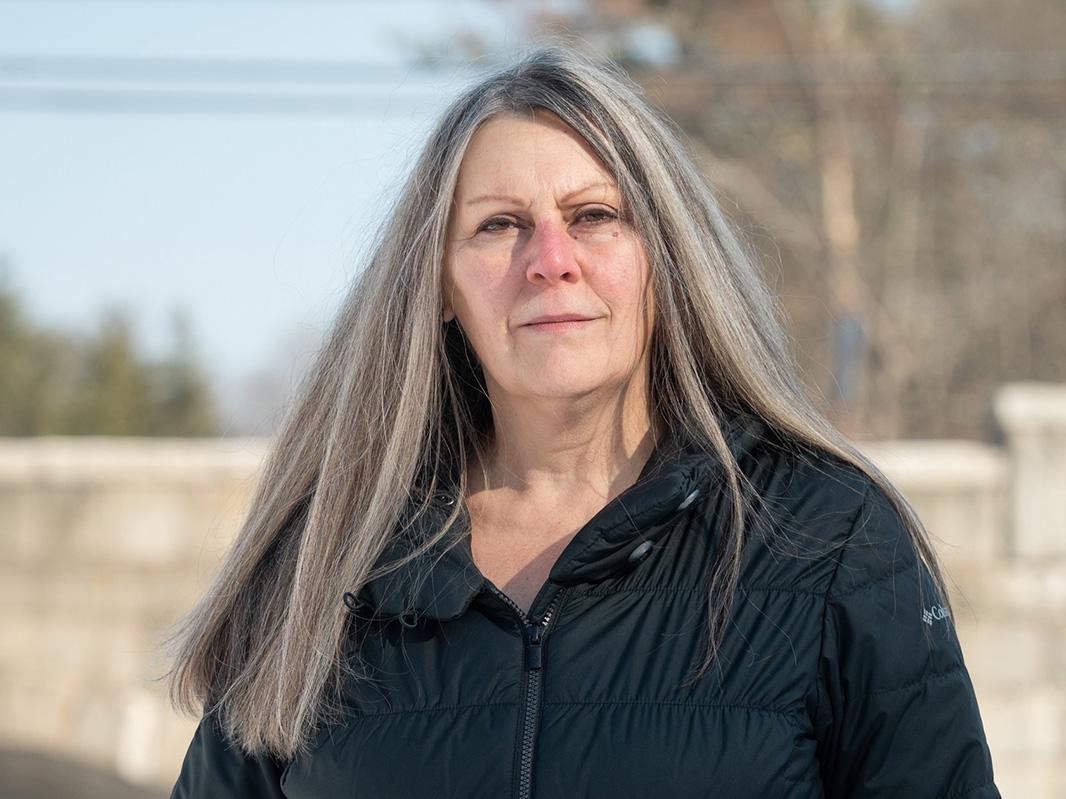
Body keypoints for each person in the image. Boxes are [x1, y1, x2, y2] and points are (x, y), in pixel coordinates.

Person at [162, 41, 1001, 798]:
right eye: (499, 225)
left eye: (595, 216)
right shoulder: (326, 558)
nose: (550, 261)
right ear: (440, 286)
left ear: (665, 258)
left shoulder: (831, 536)